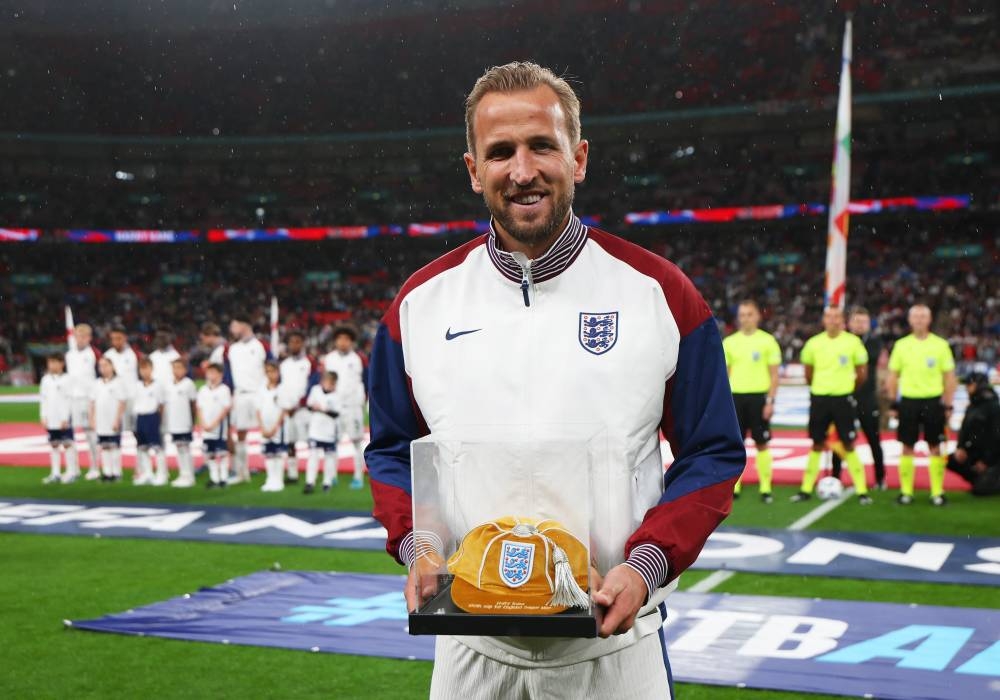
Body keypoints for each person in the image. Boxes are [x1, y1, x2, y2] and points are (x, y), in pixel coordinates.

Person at [365, 62, 743, 699]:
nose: (522, 171)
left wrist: (644, 566)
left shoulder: (661, 294)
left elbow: (712, 452)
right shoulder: (418, 306)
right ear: (472, 170)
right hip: (470, 651)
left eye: (543, 145)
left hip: (613, 651)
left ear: (580, 157)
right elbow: (392, 449)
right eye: (500, 152)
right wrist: (416, 543)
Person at [791, 306, 872, 505]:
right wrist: (820, 387)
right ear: (824, 320)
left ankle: (862, 491)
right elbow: (808, 373)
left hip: (843, 399)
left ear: (842, 320)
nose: (833, 320)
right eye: (829, 316)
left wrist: (846, 389)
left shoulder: (853, 342)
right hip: (819, 398)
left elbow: (861, 373)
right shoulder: (813, 343)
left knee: (848, 443)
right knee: (817, 443)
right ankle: (806, 489)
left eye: (837, 317)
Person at [886, 304, 957, 506]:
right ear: (909, 320)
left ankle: (937, 493)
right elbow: (893, 376)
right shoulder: (901, 345)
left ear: (929, 319)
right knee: (907, 446)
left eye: (922, 316)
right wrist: (893, 403)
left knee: (935, 447)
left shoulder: (941, 345)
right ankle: (906, 492)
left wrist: (948, 405)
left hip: (933, 401)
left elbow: (949, 377)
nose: (918, 320)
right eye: (915, 316)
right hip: (908, 401)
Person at [722, 300, 781, 503]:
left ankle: (765, 486)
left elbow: (774, 375)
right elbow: (725, 376)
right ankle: (735, 484)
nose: (745, 318)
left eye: (749, 314)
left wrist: (770, 401)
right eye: (742, 314)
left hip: (759, 397)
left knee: (761, 442)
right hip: (735, 398)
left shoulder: (768, 341)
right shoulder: (729, 343)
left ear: (758, 316)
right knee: (737, 444)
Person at [831, 307, 887, 489]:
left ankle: (880, 478)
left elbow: (869, 357)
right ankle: (835, 477)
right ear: (849, 323)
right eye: (857, 321)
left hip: (867, 397)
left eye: (864, 322)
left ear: (869, 324)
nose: (860, 325)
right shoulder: (841, 340)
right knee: (840, 439)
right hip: (843, 396)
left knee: (873, 439)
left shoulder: (874, 341)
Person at [323, 325, 368, 489]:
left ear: (352, 342)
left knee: (356, 442)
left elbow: (366, 380)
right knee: (332, 441)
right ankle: (331, 475)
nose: (343, 342)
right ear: (335, 341)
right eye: (340, 339)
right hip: (334, 407)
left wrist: (362, 402)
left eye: (347, 339)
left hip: (353, 407)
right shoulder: (329, 359)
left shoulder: (358, 359)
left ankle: (358, 477)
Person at [226, 314, 268, 483]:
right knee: (241, 433)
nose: (231, 330)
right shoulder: (232, 349)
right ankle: (242, 472)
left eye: (234, 325)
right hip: (241, 395)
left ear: (244, 325)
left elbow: (270, 368)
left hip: (259, 394)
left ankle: (275, 473)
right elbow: (229, 374)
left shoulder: (260, 346)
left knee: (269, 432)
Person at [947, 372, 1000, 496]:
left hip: (993, 457)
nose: (966, 387)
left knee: (981, 491)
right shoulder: (972, 406)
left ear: (979, 385)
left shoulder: (993, 407)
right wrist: (961, 448)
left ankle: (990, 480)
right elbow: (964, 429)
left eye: (969, 384)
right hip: (975, 453)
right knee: (952, 460)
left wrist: (986, 461)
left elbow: (996, 438)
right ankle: (981, 479)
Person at [279, 330, 317, 484]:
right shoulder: (284, 364)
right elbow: (281, 386)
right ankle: (292, 473)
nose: (294, 344)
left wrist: (300, 403)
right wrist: (285, 405)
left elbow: (313, 384)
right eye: (292, 341)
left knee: (310, 441)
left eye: (297, 341)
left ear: (302, 344)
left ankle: (311, 474)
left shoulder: (309, 362)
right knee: (290, 441)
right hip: (288, 410)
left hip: (303, 409)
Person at [65, 323, 100, 479]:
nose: (80, 339)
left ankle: (94, 467)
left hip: (88, 399)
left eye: (83, 336)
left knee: (90, 434)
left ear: (89, 338)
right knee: (68, 435)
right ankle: (73, 468)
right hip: (72, 399)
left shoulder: (93, 354)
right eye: (77, 336)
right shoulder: (69, 355)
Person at [39, 354, 78, 484]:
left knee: (67, 444)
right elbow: (43, 399)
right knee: (54, 444)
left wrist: (66, 417)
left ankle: (71, 472)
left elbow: (70, 399)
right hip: (51, 417)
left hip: (64, 417)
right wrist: (43, 416)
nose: (52, 365)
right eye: (50, 362)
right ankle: (55, 473)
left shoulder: (68, 379)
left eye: (55, 362)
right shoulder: (45, 380)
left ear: (62, 363)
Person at [90, 356, 126, 481]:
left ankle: (116, 472)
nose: (103, 368)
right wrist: (92, 419)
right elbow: (92, 402)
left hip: (112, 419)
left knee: (114, 446)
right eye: (101, 366)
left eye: (106, 365)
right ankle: (107, 472)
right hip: (101, 420)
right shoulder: (97, 383)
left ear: (112, 366)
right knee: (104, 446)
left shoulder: (118, 382)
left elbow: (122, 402)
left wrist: (117, 419)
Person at [305, 371, 341, 494]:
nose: (328, 384)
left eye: (331, 382)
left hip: (329, 432)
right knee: (313, 456)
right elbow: (309, 405)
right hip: (315, 430)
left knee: (329, 458)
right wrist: (314, 407)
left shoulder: (336, 396)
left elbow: (336, 413)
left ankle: (327, 482)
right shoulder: (315, 390)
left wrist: (323, 409)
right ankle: (310, 481)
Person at [133, 358, 168, 486]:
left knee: (157, 447)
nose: (144, 371)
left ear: (152, 369)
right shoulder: (137, 385)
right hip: (140, 416)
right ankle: (147, 473)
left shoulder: (158, 385)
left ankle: (162, 474)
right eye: (141, 369)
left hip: (153, 416)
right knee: (142, 447)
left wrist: (160, 419)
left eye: (146, 368)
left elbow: (162, 404)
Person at [197, 363, 232, 488]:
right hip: (207, 428)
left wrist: (215, 422)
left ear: (220, 374)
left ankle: (224, 478)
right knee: (209, 453)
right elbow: (199, 408)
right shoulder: (203, 390)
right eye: (209, 372)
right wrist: (203, 423)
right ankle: (214, 478)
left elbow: (226, 408)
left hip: (219, 427)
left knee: (221, 452)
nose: (211, 375)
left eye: (213, 372)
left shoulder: (224, 390)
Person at [164, 358, 198, 488]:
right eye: (174, 367)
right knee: (178, 448)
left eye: (179, 368)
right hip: (174, 422)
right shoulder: (169, 385)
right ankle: (182, 474)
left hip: (185, 421)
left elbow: (193, 404)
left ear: (185, 369)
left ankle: (189, 475)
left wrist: (192, 421)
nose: (176, 371)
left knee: (185, 448)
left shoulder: (188, 384)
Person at [257, 360, 288, 492]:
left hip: (278, 427)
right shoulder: (261, 389)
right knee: (268, 454)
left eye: (273, 371)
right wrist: (262, 427)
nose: (270, 374)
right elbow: (258, 409)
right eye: (267, 371)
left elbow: (283, 409)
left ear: (278, 372)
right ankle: (270, 479)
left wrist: (276, 426)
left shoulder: (282, 388)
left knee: (278, 453)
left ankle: (278, 480)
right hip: (265, 426)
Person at [104, 325, 139, 438]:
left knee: (135, 429)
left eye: (119, 338)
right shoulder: (107, 356)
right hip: (114, 399)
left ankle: (139, 453)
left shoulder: (134, 354)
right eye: (113, 338)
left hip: (131, 397)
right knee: (114, 429)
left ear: (125, 338)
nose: (116, 341)